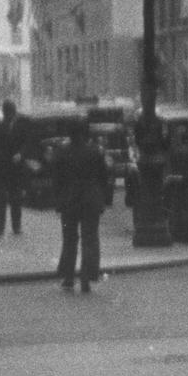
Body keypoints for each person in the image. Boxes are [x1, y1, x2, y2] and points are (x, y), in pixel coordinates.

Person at [52, 120, 109, 293]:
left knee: (69, 239)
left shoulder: (62, 152)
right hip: (91, 199)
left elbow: (57, 178)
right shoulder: (95, 152)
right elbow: (103, 177)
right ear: (86, 133)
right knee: (90, 238)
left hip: (69, 199)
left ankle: (68, 277)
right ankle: (87, 278)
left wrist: (58, 199)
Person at [0, 99, 30, 237]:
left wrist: (20, 154)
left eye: (12, 113)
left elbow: (26, 144)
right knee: (0, 200)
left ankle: (16, 226)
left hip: (15, 169)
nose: (10, 116)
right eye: (8, 113)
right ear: (4, 113)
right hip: (0, 169)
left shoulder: (20, 128)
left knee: (16, 199)